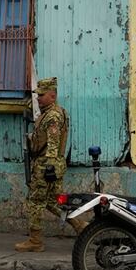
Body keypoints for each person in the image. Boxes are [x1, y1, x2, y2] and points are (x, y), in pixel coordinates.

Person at [15, 77, 87, 252]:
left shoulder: (53, 116)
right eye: (37, 95)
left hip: (46, 164)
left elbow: (53, 143)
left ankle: (35, 241)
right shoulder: (52, 112)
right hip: (53, 164)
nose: (38, 98)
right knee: (53, 201)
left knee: (35, 201)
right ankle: (81, 226)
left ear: (52, 96)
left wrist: (49, 167)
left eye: (42, 95)